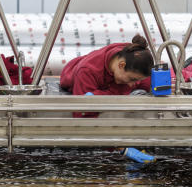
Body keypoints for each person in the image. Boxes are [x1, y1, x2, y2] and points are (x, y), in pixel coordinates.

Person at [59, 34, 155, 163]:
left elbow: (139, 80)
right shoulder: (87, 71)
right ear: (121, 65)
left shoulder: (132, 53)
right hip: (74, 73)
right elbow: (83, 119)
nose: (132, 84)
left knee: (146, 83)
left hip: (111, 81)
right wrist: (121, 147)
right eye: (132, 79)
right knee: (91, 106)